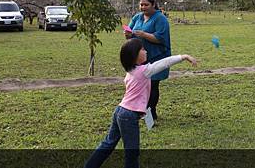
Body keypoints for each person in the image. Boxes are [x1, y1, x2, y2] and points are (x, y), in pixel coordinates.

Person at [84, 38, 197, 168]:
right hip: (128, 115)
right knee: (132, 153)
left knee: (108, 143)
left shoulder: (131, 71)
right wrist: (183, 56)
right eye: (142, 49)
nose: (146, 51)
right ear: (135, 55)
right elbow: (163, 63)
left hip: (120, 111)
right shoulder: (144, 71)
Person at [124, 0, 171, 121]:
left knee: (153, 85)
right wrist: (128, 34)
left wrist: (144, 34)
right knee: (142, 85)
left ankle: (151, 113)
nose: (143, 7)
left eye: (146, 5)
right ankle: (142, 111)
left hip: (157, 56)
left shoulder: (160, 19)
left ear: (153, 4)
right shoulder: (137, 17)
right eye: (141, 4)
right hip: (141, 58)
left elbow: (160, 38)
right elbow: (130, 35)